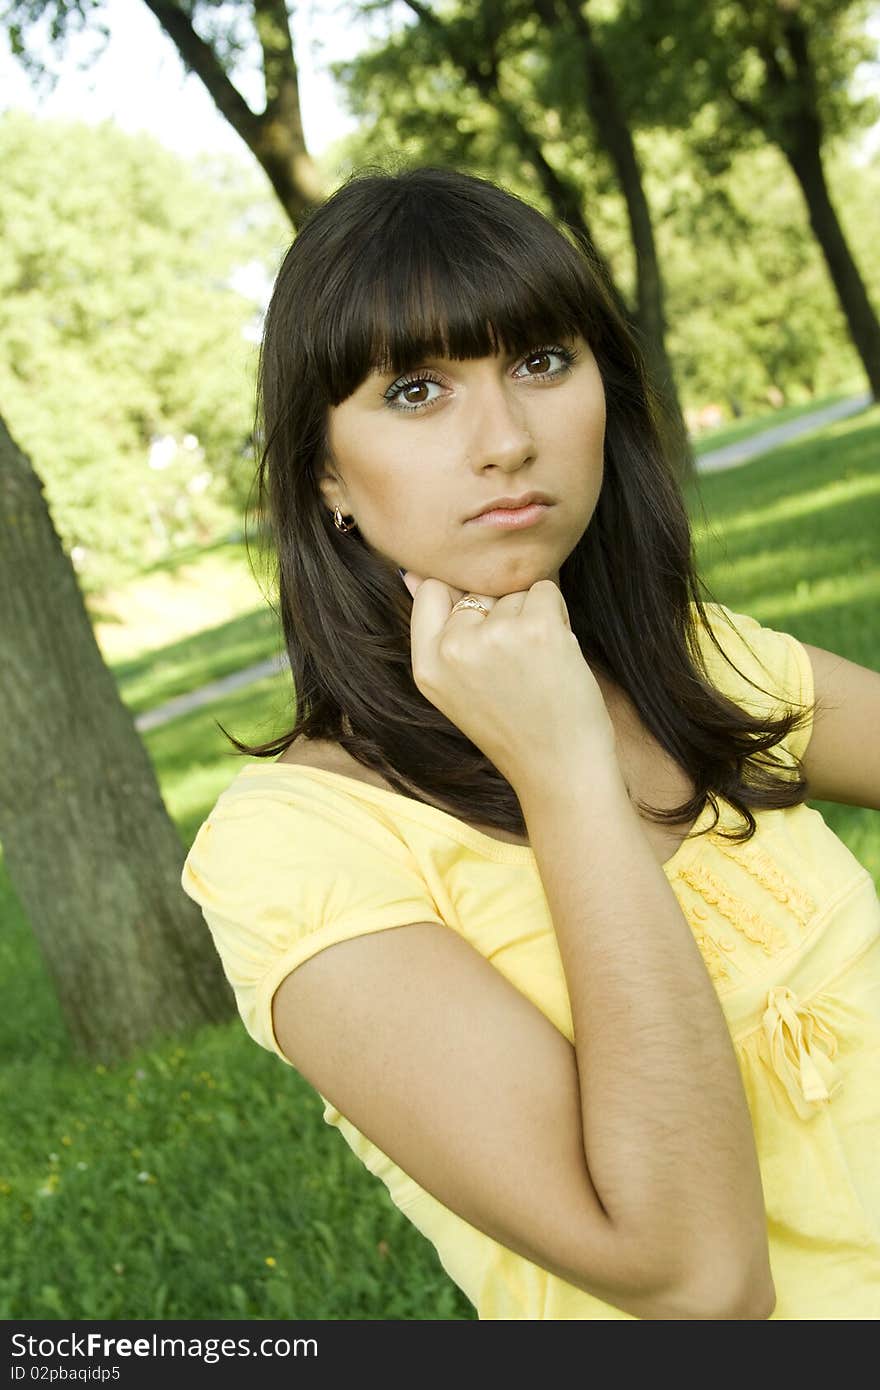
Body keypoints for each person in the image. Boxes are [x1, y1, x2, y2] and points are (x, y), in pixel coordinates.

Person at [181, 166, 880, 1320]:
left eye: (541, 363)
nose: (504, 438)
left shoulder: (690, 659)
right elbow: (698, 1282)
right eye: (414, 390)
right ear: (323, 472)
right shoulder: (290, 851)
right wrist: (559, 768)